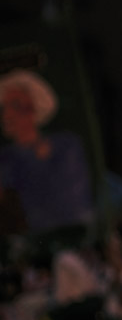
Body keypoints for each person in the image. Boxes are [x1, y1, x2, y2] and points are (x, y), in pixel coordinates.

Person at [0, 69, 94, 234]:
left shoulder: (65, 146)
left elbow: (71, 202)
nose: (7, 114)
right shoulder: (6, 158)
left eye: (15, 105)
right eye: (4, 107)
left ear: (32, 109)